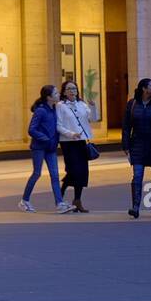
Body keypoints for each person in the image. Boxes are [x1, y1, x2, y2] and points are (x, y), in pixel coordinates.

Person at [121, 78, 151, 218]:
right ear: (144, 89)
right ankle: (135, 207)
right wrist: (126, 145)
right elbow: (126, 126)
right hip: (138, 144)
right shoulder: (133, 104)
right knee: (137, 176)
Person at [20, 85, 70, 213]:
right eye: (56, 93)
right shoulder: (41, 111)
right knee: (37, 173)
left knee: (55, 175)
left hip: (51, 148)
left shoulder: (55, 109)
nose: (58, 94)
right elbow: (31, 129)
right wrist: (45, 138)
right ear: (49, 97)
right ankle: (24, 200)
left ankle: (59, 203)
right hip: (39, 147)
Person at [56, 80, 93, 213]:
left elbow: (91, 118)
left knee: (82, 171)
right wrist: (71, 134)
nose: (72, 91)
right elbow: (58, 125)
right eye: (69, 89)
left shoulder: (81, 104)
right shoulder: (60, 106)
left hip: (81, 141)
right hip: (68, 142)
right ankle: (59, 196)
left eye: (74, 89)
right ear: (64, 92)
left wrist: (92, 107)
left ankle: (77, 200)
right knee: (72, 171)